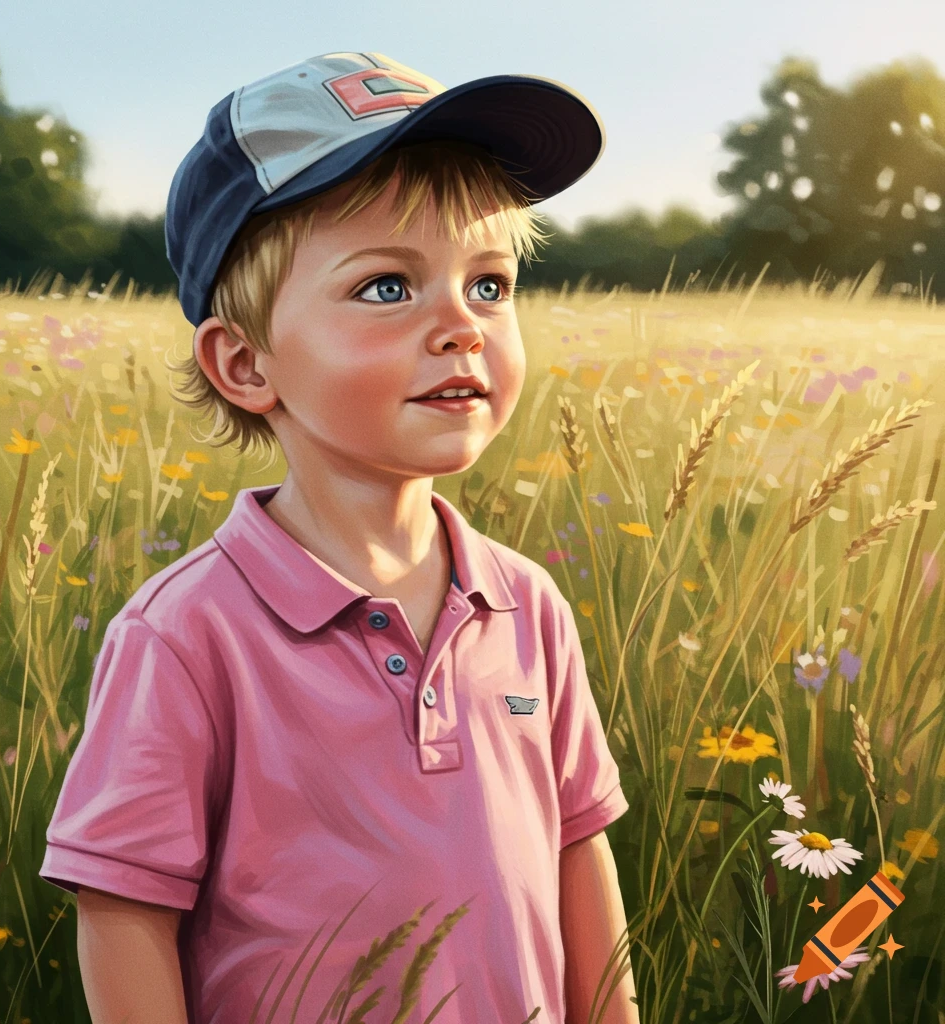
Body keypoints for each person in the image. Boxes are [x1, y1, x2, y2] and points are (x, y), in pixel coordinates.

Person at [39, 51, 638, 1024]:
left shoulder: (526, 603)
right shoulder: (188, 634)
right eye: (387, 288)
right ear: (245, 361)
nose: (462, 326)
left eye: (489, 284)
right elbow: (123, 911)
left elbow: (578, 847)